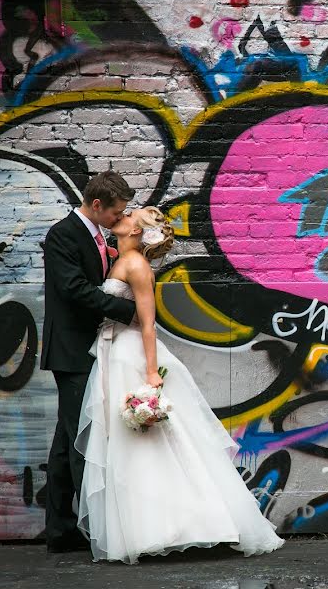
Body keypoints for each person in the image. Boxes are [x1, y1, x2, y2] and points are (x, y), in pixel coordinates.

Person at [74, 206, 284, 564]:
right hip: (115, 352)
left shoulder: (136, 266)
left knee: (144, 442)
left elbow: (147, 323)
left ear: (135, 232)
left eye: (127, 217)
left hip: (131, 355)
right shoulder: (122, 258)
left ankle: (177, 524)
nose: (120, 218)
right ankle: (151, 525)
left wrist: (152, 373)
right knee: (132, 441)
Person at [41, 171, 137, 553]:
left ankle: (61, 530)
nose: (119, 219)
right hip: (72, 351)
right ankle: (96, 527)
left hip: (90, 349)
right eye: (117, 212)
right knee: (82, 443)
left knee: (68, 440)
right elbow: (74, 288)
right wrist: (124, 310)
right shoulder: (63, 234)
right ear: (97, 205)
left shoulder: (99, 237)